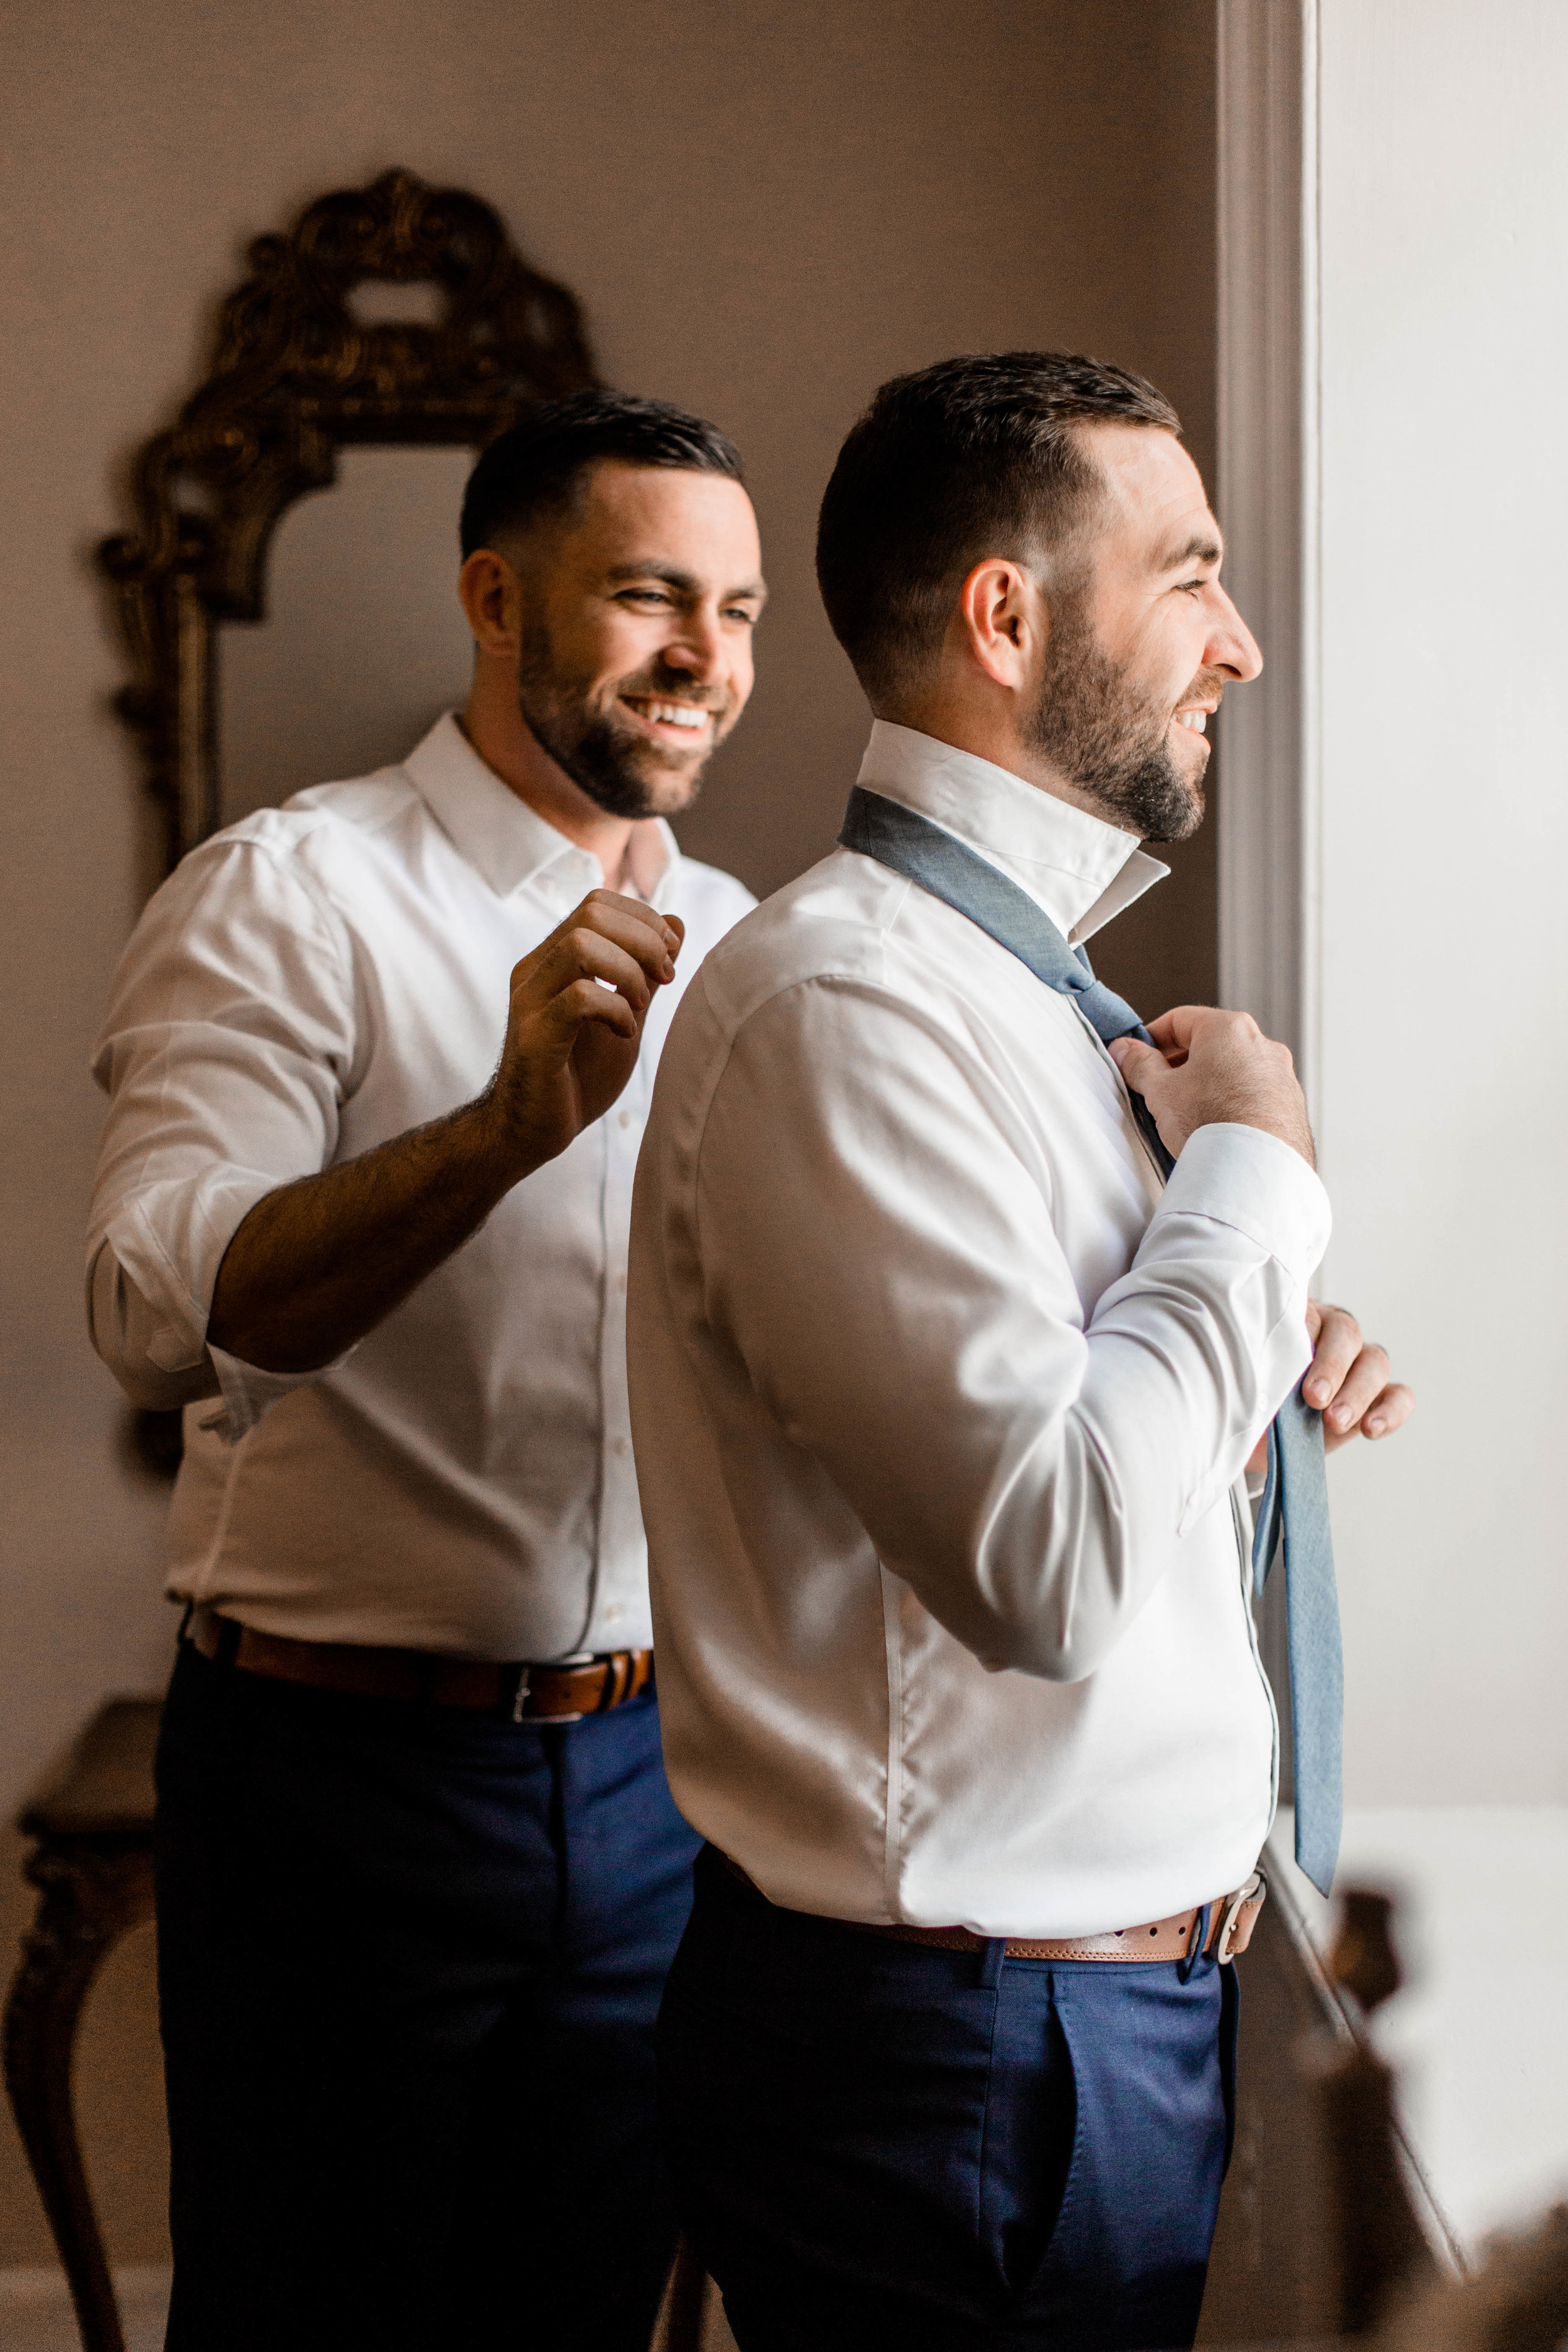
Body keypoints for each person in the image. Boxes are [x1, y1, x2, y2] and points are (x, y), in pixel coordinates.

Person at [627, 352, 1412, 2351]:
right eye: (1193, 578)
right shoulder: (847, 1007)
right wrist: (1253, 1172)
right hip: (957, 2059)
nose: (1236, 644)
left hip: (1072, 2020)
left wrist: (1252, 1360)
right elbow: (1041, 1565)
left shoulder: (1021, 1006)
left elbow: (1062, 1439)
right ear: (1006, 617)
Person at [86, 389, 766, 2352]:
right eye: (649, 598)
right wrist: (495, 1129)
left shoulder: (739, 944)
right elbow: (150, 1304)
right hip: (337, 1791)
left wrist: (1244, 1289)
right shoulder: (286, 893)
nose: (704, 661)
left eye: (732, 611)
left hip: (655, 1787)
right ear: (494, 595)